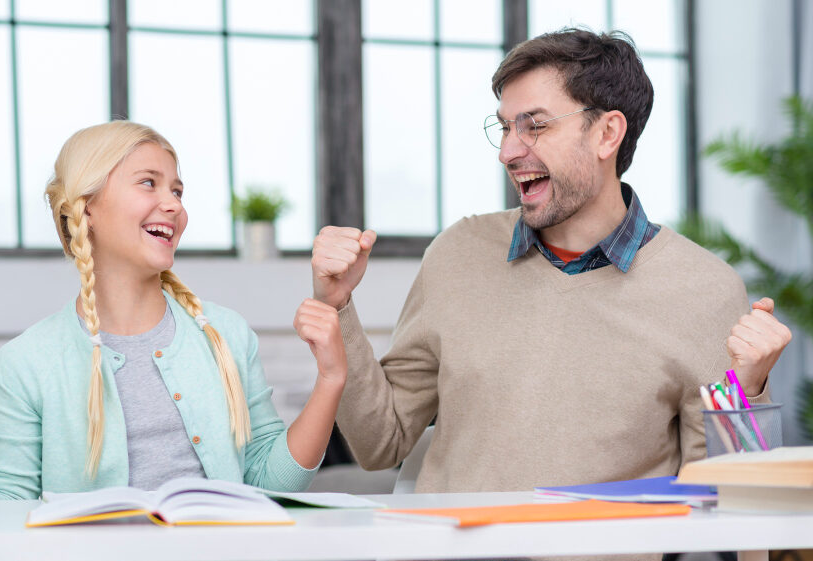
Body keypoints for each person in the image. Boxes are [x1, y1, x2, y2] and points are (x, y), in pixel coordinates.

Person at [310, 29, 792, 493]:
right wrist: (338, 308)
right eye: (504, 127)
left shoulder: (704, 290)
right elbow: (379, 443)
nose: (507, 151)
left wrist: (747, 393)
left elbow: (729, 502)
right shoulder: (458, 253)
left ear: (607, 134)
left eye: (534, 126)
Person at [0, 121, 347, 499]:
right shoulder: (26, 363)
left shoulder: (226, 333)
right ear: (87, 207)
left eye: (178, 190)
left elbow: (270, 482)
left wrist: (330, 380)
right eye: (148, 182)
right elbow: (2, 518)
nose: (173, 204)